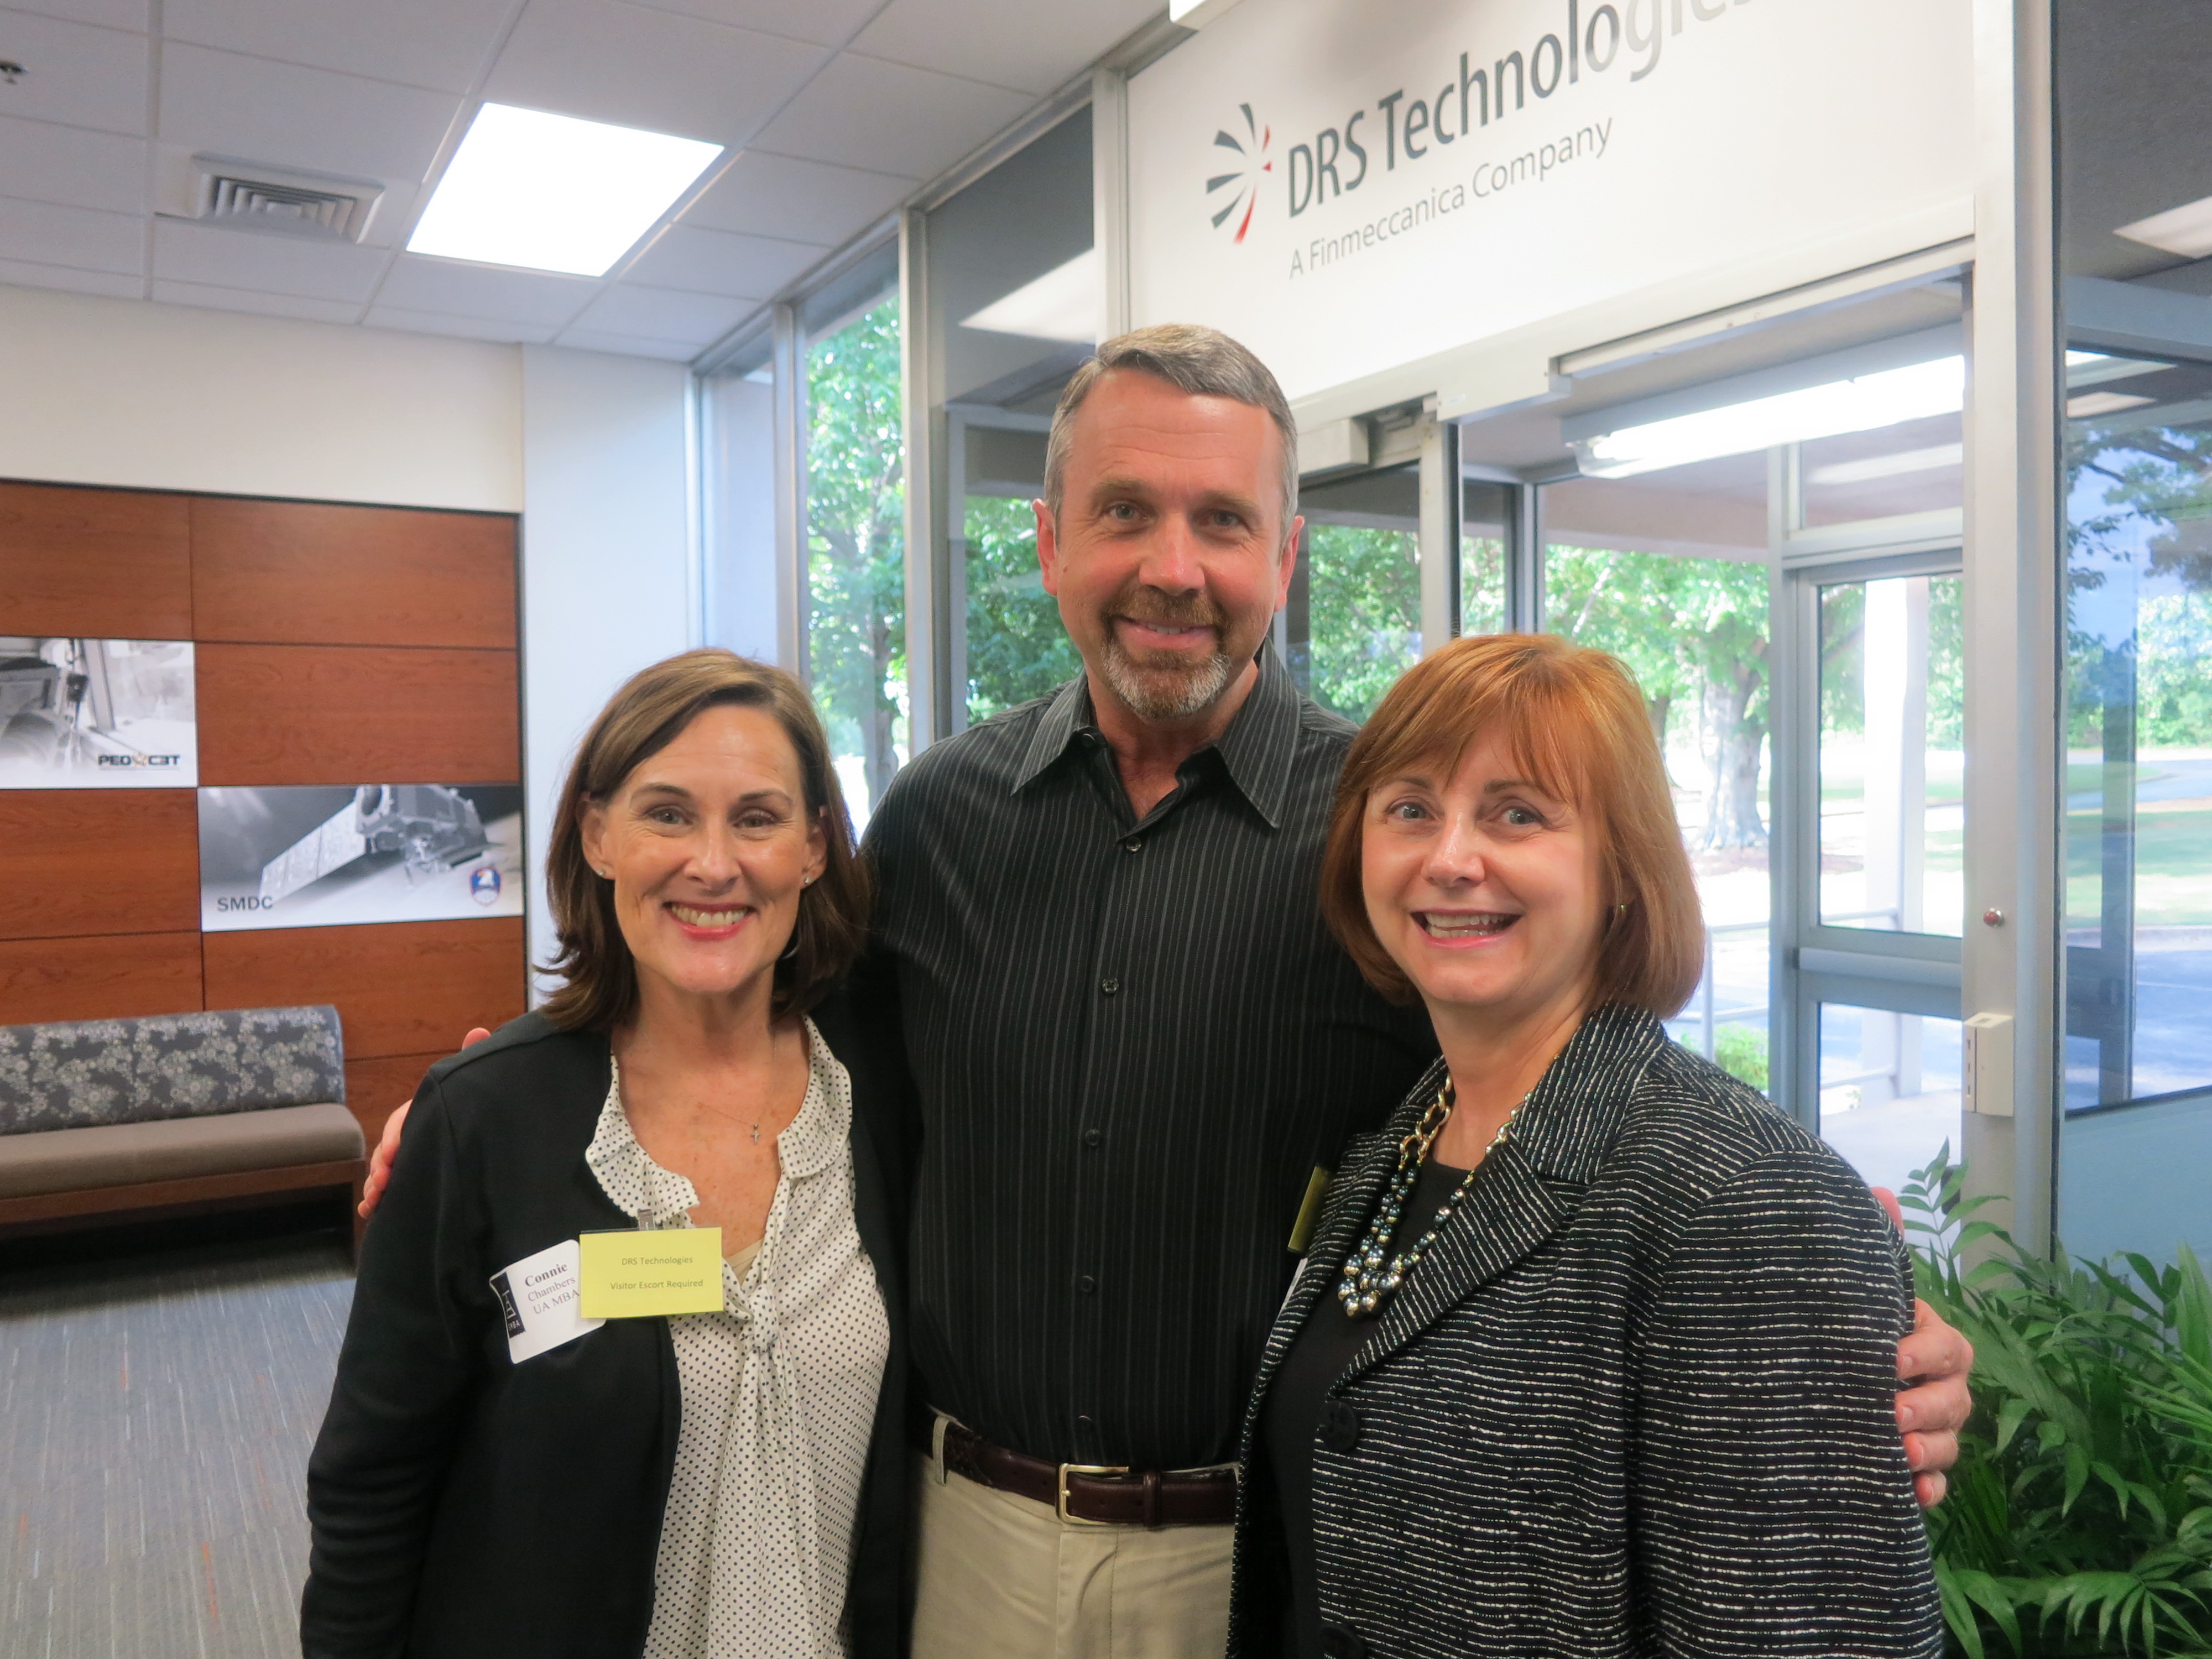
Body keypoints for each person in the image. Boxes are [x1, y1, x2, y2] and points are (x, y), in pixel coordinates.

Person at [362, 325, 1972, 1659]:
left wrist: (1840, 1310)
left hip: (1275, 1558)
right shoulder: (938, 820)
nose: (1173, 569)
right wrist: (504, 1106)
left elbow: (1579, 1102)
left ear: (1285, 553)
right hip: (960, 1541)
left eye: (1221, 523)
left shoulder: (1389, 828)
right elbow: (737, 1001)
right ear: (1052, 543)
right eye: (1126, 513)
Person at [1231, 632, 1942, 1658]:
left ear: (1622, 864)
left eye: (1518, 813)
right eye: (1412, 809)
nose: (1452, 858)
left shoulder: (1744, 1197)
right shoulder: (1404, 1139)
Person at [302, 652, 910, 1659]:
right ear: (598, 836)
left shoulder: (879, 1097)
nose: (713, 864)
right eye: (667, 813)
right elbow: (373, 1483)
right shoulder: (487, 1124)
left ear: (812, 848)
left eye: (756, 818)